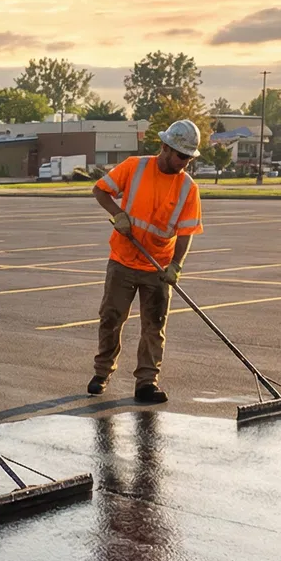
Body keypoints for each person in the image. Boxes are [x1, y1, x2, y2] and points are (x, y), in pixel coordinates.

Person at [87, 119, 204, 405]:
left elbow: (187, 231)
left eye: (189, 158)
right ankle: (102, 373)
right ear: (165, 147)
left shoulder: (188, 188)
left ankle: (147, 382)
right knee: (111, 318)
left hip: (158, 266)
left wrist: (176, 265)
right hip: (124, 260)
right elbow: (100, 190)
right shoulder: (134, 167)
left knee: (154, 325)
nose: (184, 163)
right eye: (181, 156)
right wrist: (119, 214)